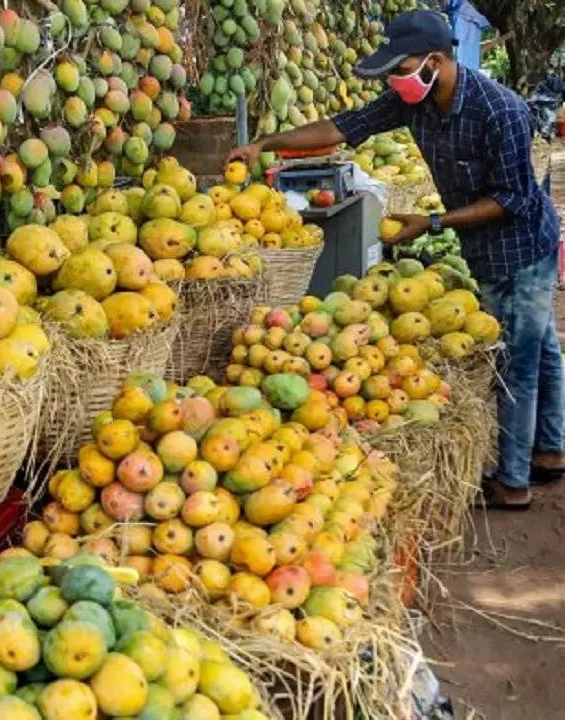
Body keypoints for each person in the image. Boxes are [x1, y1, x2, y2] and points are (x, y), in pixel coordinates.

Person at [226, 10, 563, 509]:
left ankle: (514, 482)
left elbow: (511, 199)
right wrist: (265, 145)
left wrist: (431, 224)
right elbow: (345, 126)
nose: (395, 80)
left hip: (524, 246)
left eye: (400, 68)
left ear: (435, 60)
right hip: (482, 248)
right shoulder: (418, 101)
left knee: (519, 358)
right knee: (542, 349)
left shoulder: (502, 110)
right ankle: (553, 452)